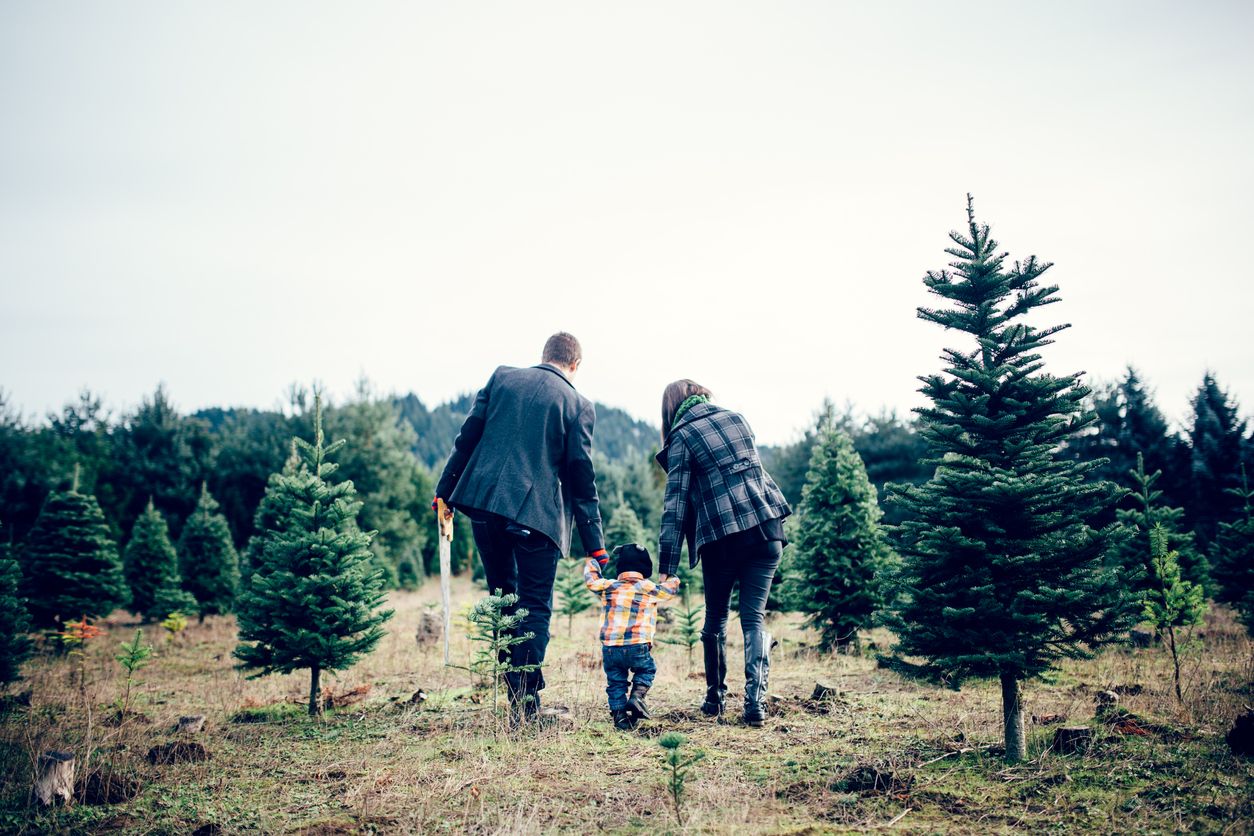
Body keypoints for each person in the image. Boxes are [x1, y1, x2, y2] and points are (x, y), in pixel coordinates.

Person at [434, 332, 606, 721]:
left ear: (544, 356)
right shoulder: (577, 404)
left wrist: (443, 493)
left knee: (502, 598)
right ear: (575, 366)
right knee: (533, 606)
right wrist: (595, 545)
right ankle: (525, 707)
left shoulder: (502, 378)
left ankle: (515, 695)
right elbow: (581, 478)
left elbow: (466, 440)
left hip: (483, 504)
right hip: (536, 517)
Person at [655, 380, 791, 727]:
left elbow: (676, 505)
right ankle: (755, 703)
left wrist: (667, 567)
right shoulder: (737, 418)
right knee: (754, 618)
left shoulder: (682, 436)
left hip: (723, 537)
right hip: (766, 529)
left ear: (671, 409)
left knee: (715, 616)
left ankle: (715, 699)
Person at [583, 543, 681, 730]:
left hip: (611, 646)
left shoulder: (609, 586)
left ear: (620, 568)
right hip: (638, 644)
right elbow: (670, 589)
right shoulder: (648, 588)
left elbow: (591, 580)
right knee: (646, 670)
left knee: (615, 680)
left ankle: (619, 717)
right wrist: (670, 576)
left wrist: (592, 560)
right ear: (645, 568)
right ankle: (637, 697)